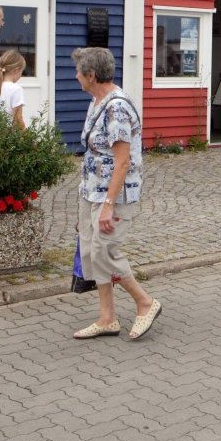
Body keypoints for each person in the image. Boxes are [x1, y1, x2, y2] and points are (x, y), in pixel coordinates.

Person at [72, 47, 161, 341]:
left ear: (91, 75)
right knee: (90, 251)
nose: (76, 77)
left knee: (104, 250)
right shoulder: (97, 101)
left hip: (114, 194)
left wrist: (109, 205)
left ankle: (144, 302)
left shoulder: (117, 107)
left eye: (79, 72)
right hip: (91, 190)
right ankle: (107, 318)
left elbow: (123, 161)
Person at [0, 50, 27, 129]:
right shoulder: (16, 89)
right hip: (10, 136)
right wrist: (29, 138)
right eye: (22, 71)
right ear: (16, 70)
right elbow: (18, 119)